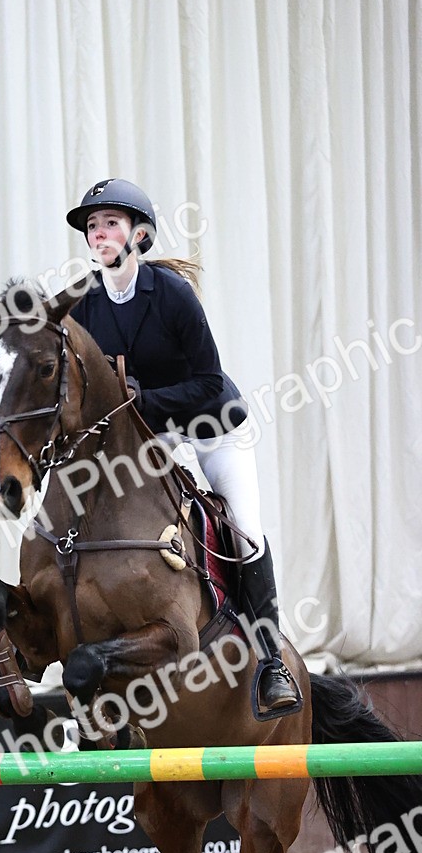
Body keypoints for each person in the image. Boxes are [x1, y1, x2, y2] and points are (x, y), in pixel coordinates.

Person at [65, 178, 300, 718]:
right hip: (157, 434)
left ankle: (271, 663)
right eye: (93, 226)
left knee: (244, 533)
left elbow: (211, 382)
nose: (100, 233)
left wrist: (143, 399)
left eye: (111, 224)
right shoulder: (86, 305)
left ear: (139, 235)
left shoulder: (171, 294)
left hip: (213, 427)